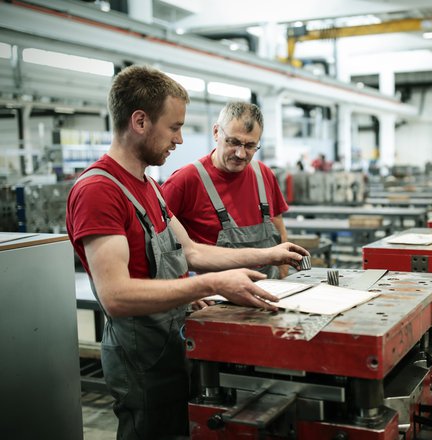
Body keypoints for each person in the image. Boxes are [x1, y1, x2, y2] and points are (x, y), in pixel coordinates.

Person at [66, 65, 308, 440]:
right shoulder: (99, 191)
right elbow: (116, 296)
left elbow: (192, 251)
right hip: (142, 356)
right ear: (141, 121)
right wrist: (209, 285)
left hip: (172, 340)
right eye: (174, 127)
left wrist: (270, 254)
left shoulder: (147, 184)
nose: (180, 140)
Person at [162, 101, 290, 279]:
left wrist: (284, 275)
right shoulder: (184, 182)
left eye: (250, 146)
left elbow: (279, 228)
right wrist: (184, 291)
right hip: (216, 300)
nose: (241, 154)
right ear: (216, 132)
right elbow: (162, 249)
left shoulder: (264, 175)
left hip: (271, 291)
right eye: (233, 142)